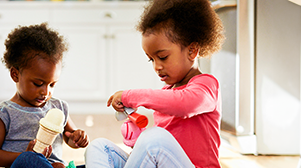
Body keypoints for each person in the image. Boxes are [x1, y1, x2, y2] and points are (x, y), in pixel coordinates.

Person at [84, 0, 225, 167]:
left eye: (163, 57)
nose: (157, 67)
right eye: (151, 59)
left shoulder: (206, 86)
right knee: (99, 147)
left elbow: (183, 104)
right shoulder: (167, 92)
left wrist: (131, 96)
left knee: (154, 138)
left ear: (192, 50)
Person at [0, 23, 90, 168]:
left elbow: (70, 137)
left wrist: (77, 138)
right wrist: (25, 155)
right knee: (30, 159)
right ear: (15, 75)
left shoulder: (59, 107)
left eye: (52, 84)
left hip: (57, 165)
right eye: (38, 83)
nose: (46, 92)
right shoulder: (3, 114)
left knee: (96, 157)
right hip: (27, 164)